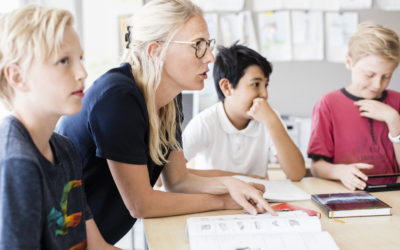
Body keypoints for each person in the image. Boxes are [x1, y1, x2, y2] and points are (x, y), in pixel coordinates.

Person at [56, 0, 275, 244]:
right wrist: (223, 201)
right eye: (198, 46)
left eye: (208, 45)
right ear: (155, 50)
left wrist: (230, 184)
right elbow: (141, 204)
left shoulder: (169, 97)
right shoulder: (117, 98)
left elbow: (178, 180)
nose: (210, 57)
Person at [0, 5, 118, 249]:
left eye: (80, 59)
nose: (82, 73)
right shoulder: (16, 163)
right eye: (63, 61)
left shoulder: (64, 148)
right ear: (17, 77)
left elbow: (96, 245)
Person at [182, 43, 306, 180]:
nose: (265, 94)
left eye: (266, 85)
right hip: (213, 199)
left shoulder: (269, 118)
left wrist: (272, 122)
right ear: (227, 87)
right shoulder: (205, 122)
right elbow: (165, 177)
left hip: (257, 200)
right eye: (255, 84)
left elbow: (297, 174)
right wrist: (241, 178)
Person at [307, 22, 400, 191]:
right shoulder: (329, 103)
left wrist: (394, 120)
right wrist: (340, 171)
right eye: (369, 74)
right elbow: (316, 166)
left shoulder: (397, 102)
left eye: (386, 76)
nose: (377, 84)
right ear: (349, 62)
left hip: (393, 193)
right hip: (348, 194)